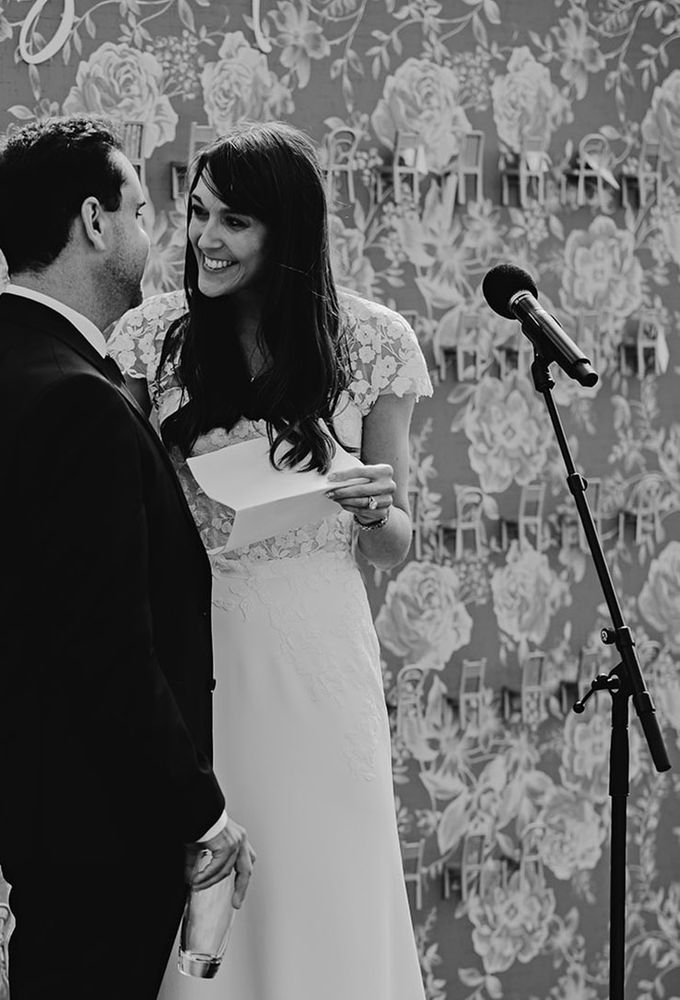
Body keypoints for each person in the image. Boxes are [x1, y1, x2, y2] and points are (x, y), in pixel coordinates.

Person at [0, 116, 254, 1000]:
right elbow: (109, 649)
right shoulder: (78, 402)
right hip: (103, 827)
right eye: (142, 210)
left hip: (40, 820)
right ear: (95, 222)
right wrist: (204, 817)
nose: (156, 239)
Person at [106, 121, 432, 1000]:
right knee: (216, 891)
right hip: (202, 652)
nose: (206, 239)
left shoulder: (373, 341)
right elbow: (116, 512)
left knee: (330, 883)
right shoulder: (153, 339)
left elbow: (399, 540)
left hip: (324, 659)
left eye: (235, 222)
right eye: (200, 213)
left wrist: (376, 508)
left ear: (287, 230)